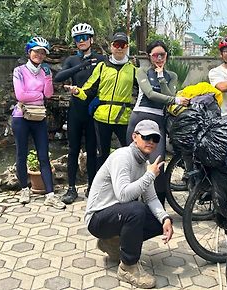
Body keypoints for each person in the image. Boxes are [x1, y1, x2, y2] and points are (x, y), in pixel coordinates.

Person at [85, 119, 174, 289]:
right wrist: (150, 176)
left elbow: (152, 198)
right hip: (97, 218)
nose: (151, 142)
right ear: (134, 137)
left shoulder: (144, 163)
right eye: (146, 137)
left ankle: (112, 243)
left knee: (158, 222)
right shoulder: (122, 157)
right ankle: (128, 266)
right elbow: (123, 195)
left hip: (116, 215)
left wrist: (165, 218)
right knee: (136, 210)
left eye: (155, 139)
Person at [126, 40, 189, 205]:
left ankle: (158, 207)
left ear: (166, 56)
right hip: (139, 118)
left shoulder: (171, 76)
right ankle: (131, 205)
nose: (159, 58)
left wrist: (161, 78)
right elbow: (150, 94)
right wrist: (175, 99)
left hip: (157, 121)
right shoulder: (141, 72)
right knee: (133, 164)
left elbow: (167, 97)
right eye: (155, 55)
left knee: (157, 165)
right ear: (149, 56)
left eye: (162, 55)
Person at [65, 32, 138, 169]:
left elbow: (143, 92)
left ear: (127, 47)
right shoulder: (102, 66)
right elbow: (89, 88)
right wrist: (77, 91)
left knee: (130, 152)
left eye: (123, 45)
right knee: (101, 154)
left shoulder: (134, 70)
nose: (119, 48)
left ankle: (127, 184)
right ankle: (102, 187)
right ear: (111, 46)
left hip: (122, 117)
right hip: (101, 118)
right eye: (116, 45)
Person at [54, 23, 105, 203]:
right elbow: (58, 77)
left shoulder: (100, 59)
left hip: (92, 111)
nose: (81, 41)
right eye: (77, 38)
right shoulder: (71, 60)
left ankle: (92, 186)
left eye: (84, 37)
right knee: (73, 150)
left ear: (91, 39)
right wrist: (81, 65)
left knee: (92, 151)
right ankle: (71, 188)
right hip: (75, 111)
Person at [12, 36, 65, 209]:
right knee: (21, 154)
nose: (39, 55)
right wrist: (39, 95)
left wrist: (48, 79)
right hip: (21, 116)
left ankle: (50, 194)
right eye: (36, 51)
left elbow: (48, 94)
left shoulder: (45, 72)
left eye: (43, 52)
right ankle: (24, 189)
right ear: (29, 52)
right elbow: (20, 95)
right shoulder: (19, 71)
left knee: (43, 155)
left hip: (39, 118)